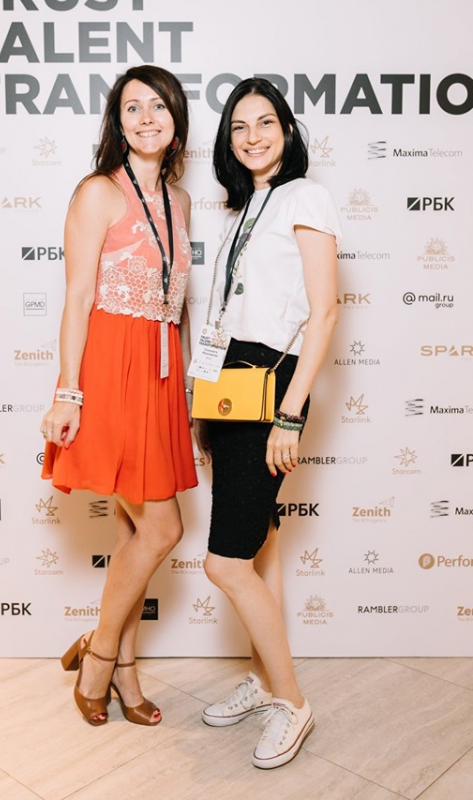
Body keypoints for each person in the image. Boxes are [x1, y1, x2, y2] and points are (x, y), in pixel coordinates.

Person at [40, 65, 197, 727]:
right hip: (110, 369)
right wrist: (68, 393)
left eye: (157, 105)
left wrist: (186, 393)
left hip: (160, 375)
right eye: (132, 108)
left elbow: (176, 306)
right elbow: (77, 298)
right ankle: (102, 653)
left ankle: (123, 671)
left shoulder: (180, 201)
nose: (146, 118)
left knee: (137, 530)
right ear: (118, 122)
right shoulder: (98, 192)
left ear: (176, 118)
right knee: (164, 527)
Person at [193, 77, 341, 768]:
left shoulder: (305, 196)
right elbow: (226, 314)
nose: (252, 137)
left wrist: (290, 414)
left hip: (272, 382)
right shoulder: (241, 208)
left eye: (265, 123)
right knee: (262, 547)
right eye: (239, 127)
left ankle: (292, 702)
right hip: (228, 384)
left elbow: (324, 312)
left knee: (224, 562)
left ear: (286, 129)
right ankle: (263, 678)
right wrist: (204, 405)